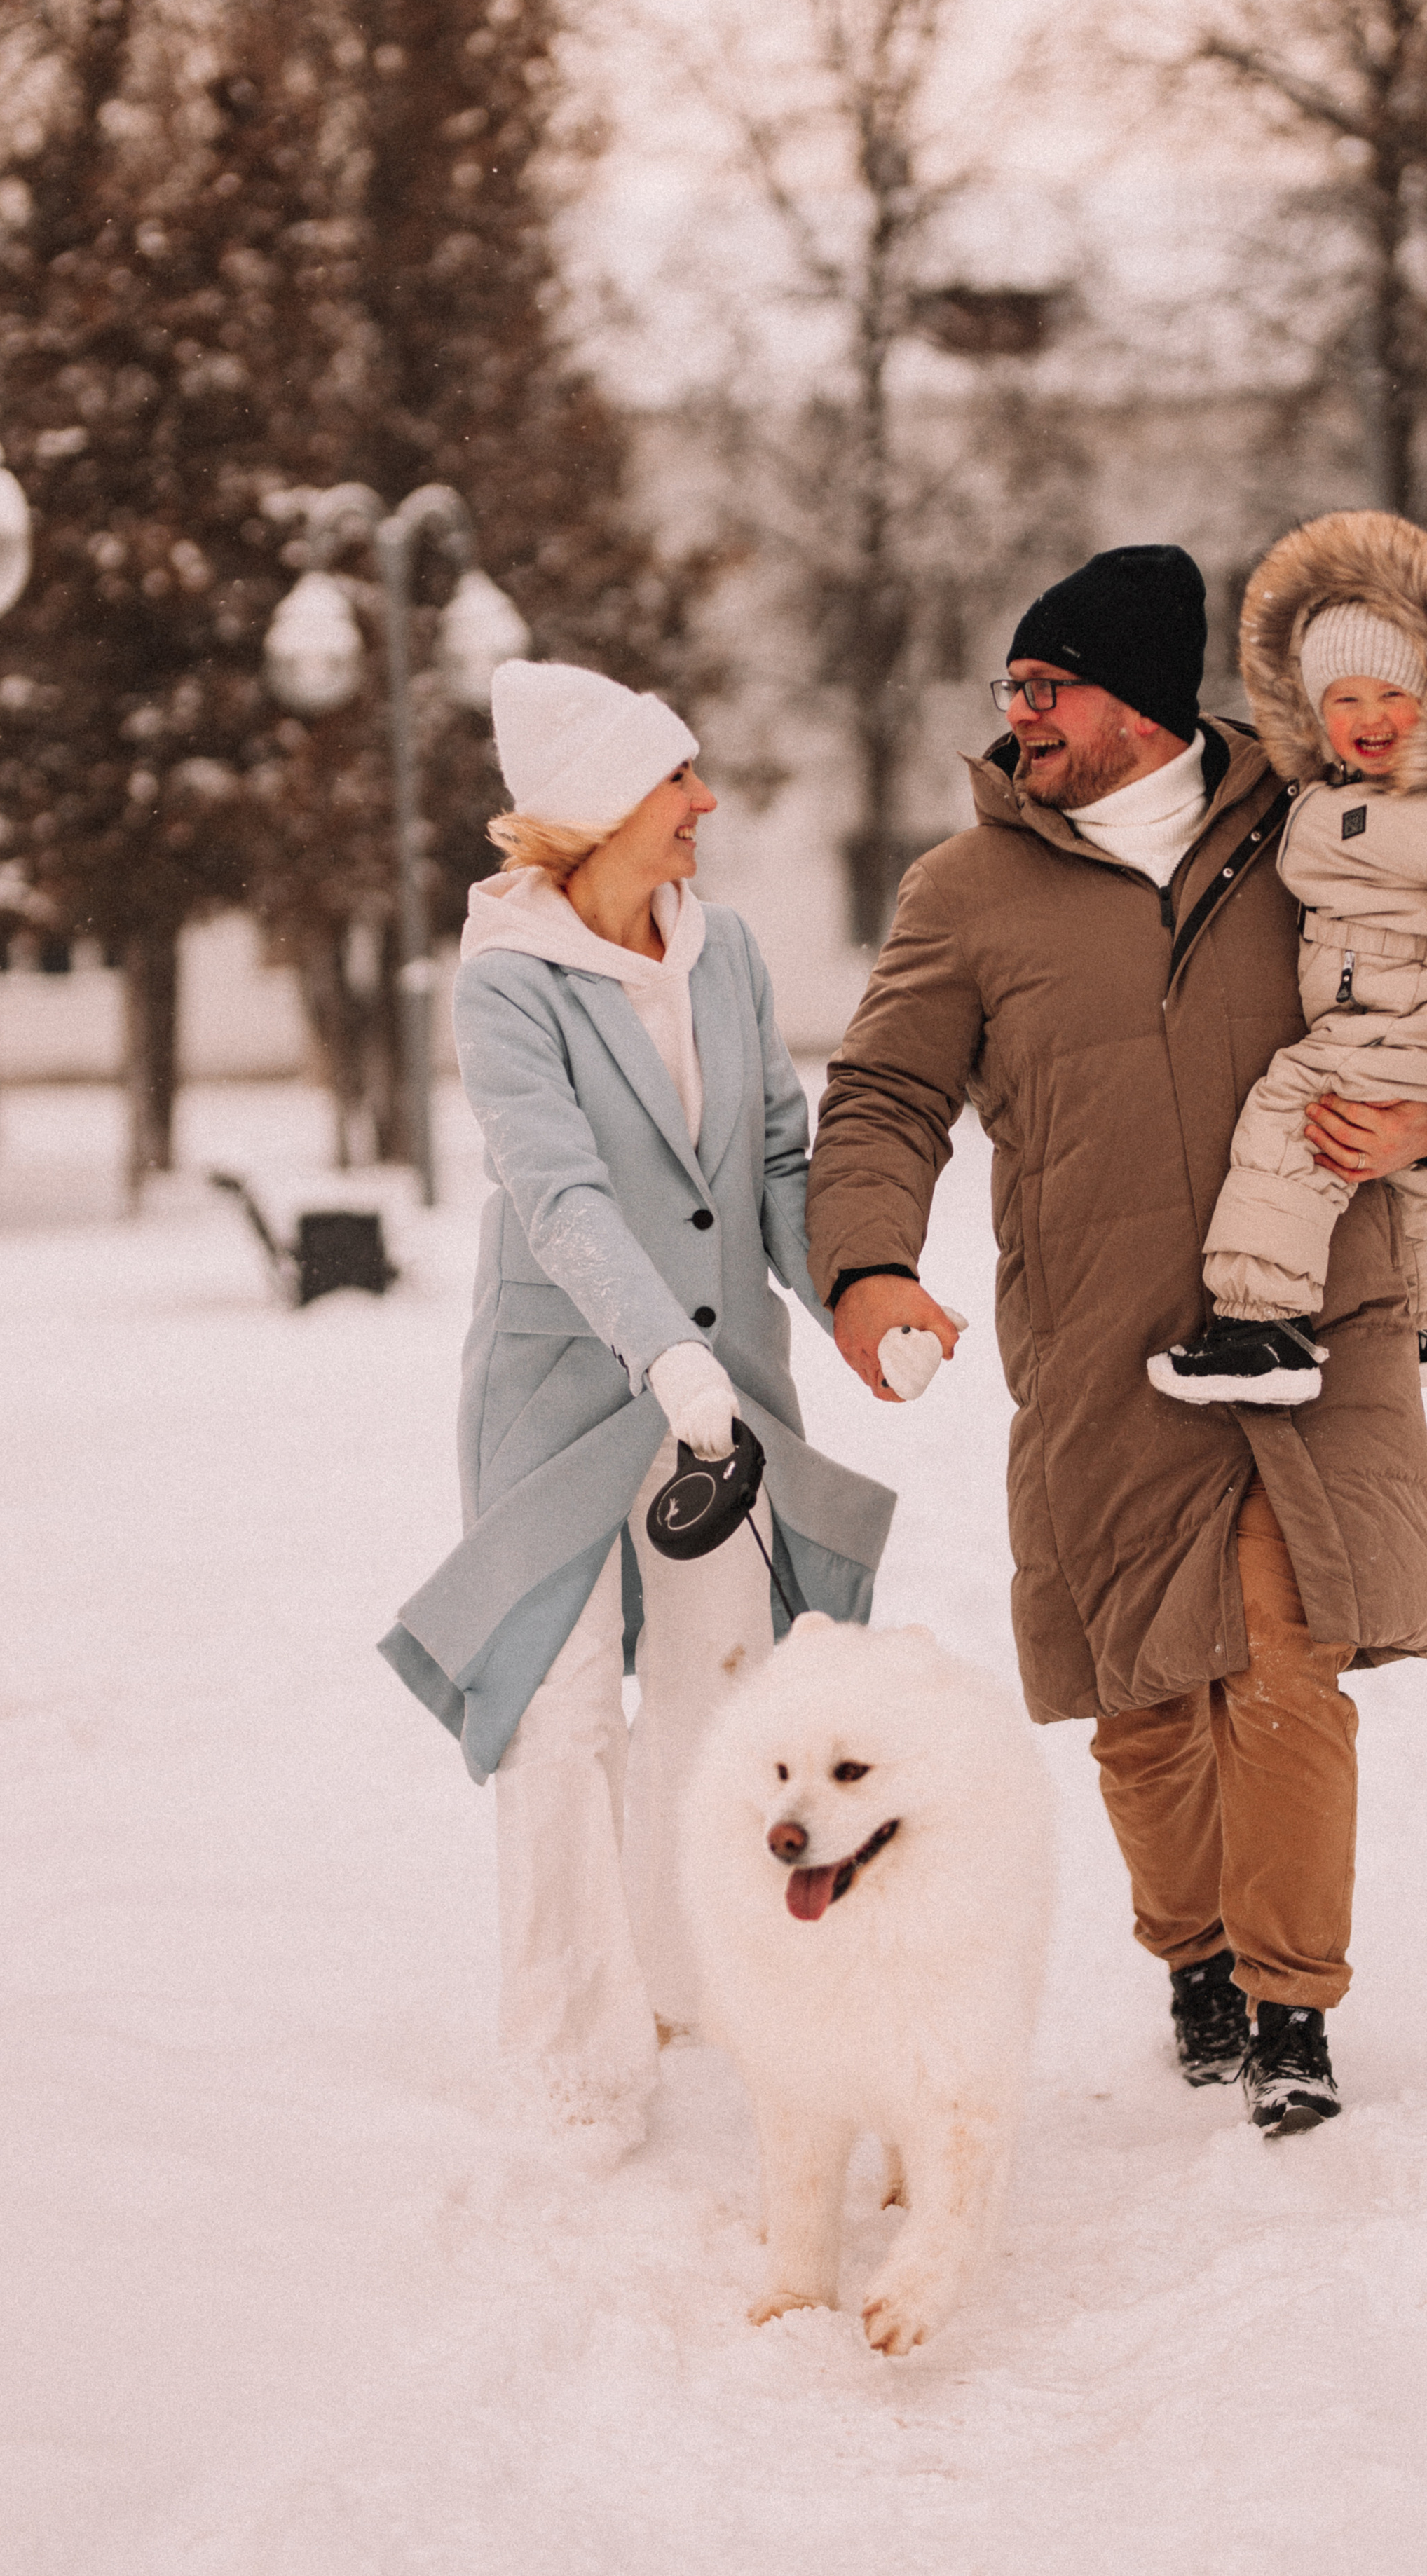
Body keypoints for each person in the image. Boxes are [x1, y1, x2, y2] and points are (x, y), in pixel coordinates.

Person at [805, 542, 1427, 2135]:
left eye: (1045, 686)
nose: (1016, 714)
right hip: (1102, 1346)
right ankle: (1188, 1948)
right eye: (1011, 689)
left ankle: (1288, 2006)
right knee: (1143, 1695)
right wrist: (862, 1264)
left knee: (1281, 1653)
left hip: (1318, 1324)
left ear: (1135, 697)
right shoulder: (965, 891)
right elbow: (883, 1095)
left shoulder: (1324, 838)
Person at [380, 659, 894, 2158]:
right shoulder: (504, 978)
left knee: (719, 1687)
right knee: (555, 1720)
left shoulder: (722, 952)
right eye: (677, 782)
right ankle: (571, 2047)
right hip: (563, 1395)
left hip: (721, 1394)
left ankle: (702, 1989)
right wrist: (662, 1361)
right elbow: (560, 1195)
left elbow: (778, 1165)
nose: (705, 806)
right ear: (600, 809)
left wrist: (849, 1298)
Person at [1147, 510, 1427, 1407]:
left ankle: (1262, 1324)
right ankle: (1423, 1320)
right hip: (1378, 1008)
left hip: (1418, 1014)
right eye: (1343, 700)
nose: (1370, 718)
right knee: (1393, 1161)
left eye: (1394, 694)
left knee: (1295, 1112)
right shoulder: (1332, 791)